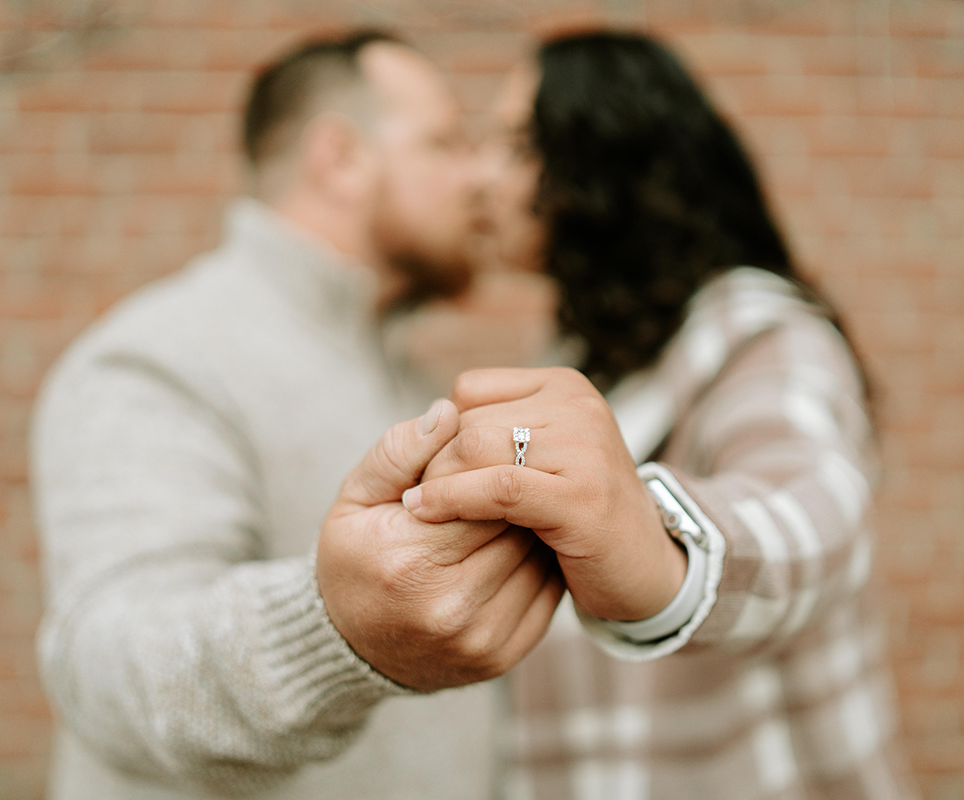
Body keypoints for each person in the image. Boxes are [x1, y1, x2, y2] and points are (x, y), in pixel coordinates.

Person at [30, 31, 564, 799]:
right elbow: (113, 671)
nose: (480, 175)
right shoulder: (156, 361)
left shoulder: (411, 377)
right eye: (446, 141)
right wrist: (337, 630)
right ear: (339, 158)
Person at [405, 31, 920, 798]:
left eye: (517, 145)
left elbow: (816, 514)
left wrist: (658, 559)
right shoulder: (583, 349)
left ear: (600, 162)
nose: (482, 175)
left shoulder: (760, 333)